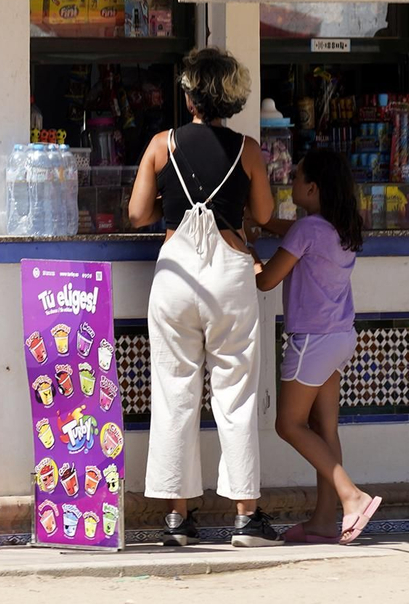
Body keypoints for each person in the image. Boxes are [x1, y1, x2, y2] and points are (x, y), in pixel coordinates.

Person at [128, 47, 281, 547]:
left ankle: (177, 518)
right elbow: (262, 211)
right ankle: (245, 517)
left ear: (190, 95)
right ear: (230, 97)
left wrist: (169, 204)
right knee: (235, 394)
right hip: (229, 273)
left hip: (176, 272)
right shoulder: (249, 150)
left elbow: (136, 215)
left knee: (175, 392)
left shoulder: (159, 145)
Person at [254, 149, 382, 544]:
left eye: (295, 177)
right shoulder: (340, 228)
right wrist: (262, 225)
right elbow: (292, 233)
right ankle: (325, 520)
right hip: (340, 338)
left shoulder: (306, 230)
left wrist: (242, 250)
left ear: (312, 188)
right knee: (325, 428)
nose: (289, 183)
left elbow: (266, 281)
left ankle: (351, 496)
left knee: (287, 424)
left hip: (310, 341)